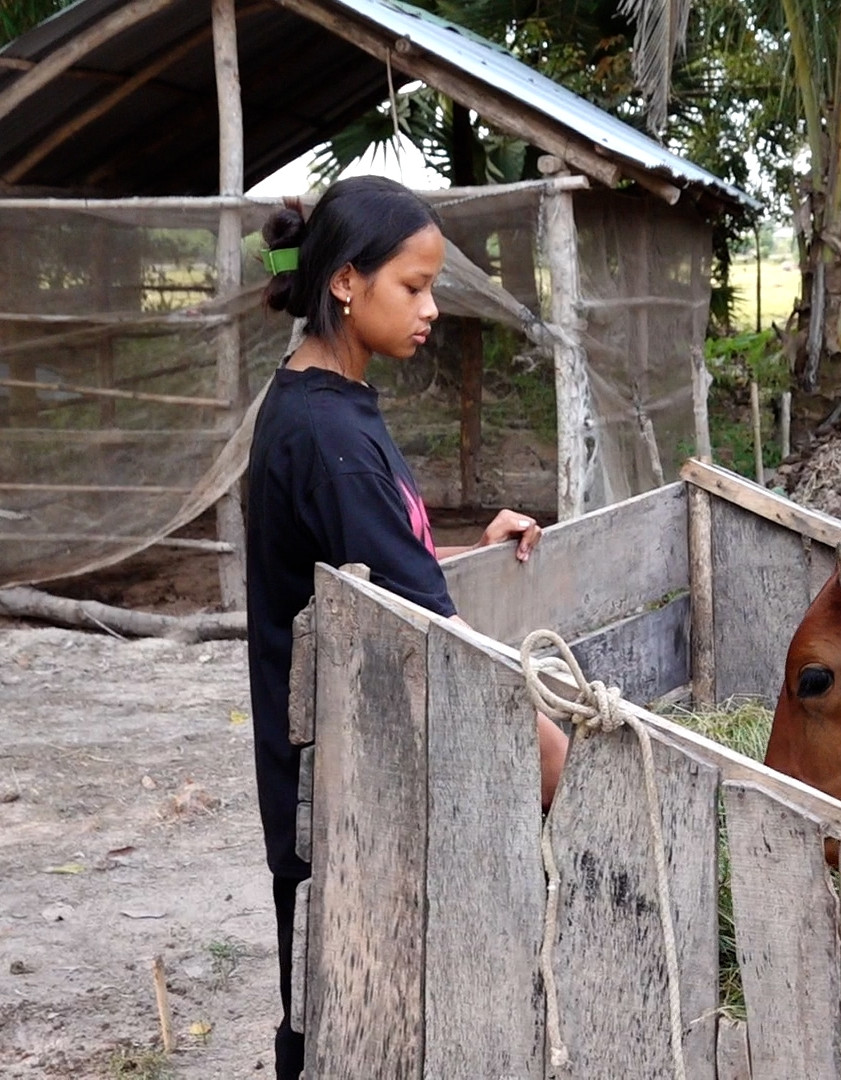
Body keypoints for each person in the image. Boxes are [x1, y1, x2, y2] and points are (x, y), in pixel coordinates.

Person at [244, 175, 569, 1080]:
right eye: (412, 286)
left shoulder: (325, 402)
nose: (430, 308)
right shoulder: (326, 437)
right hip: (343, 768)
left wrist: (460, 543)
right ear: (345, 283)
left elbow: (368, 563)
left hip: (355, 741)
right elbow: (431, 629)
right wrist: (560, 761)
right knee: (348, 999)